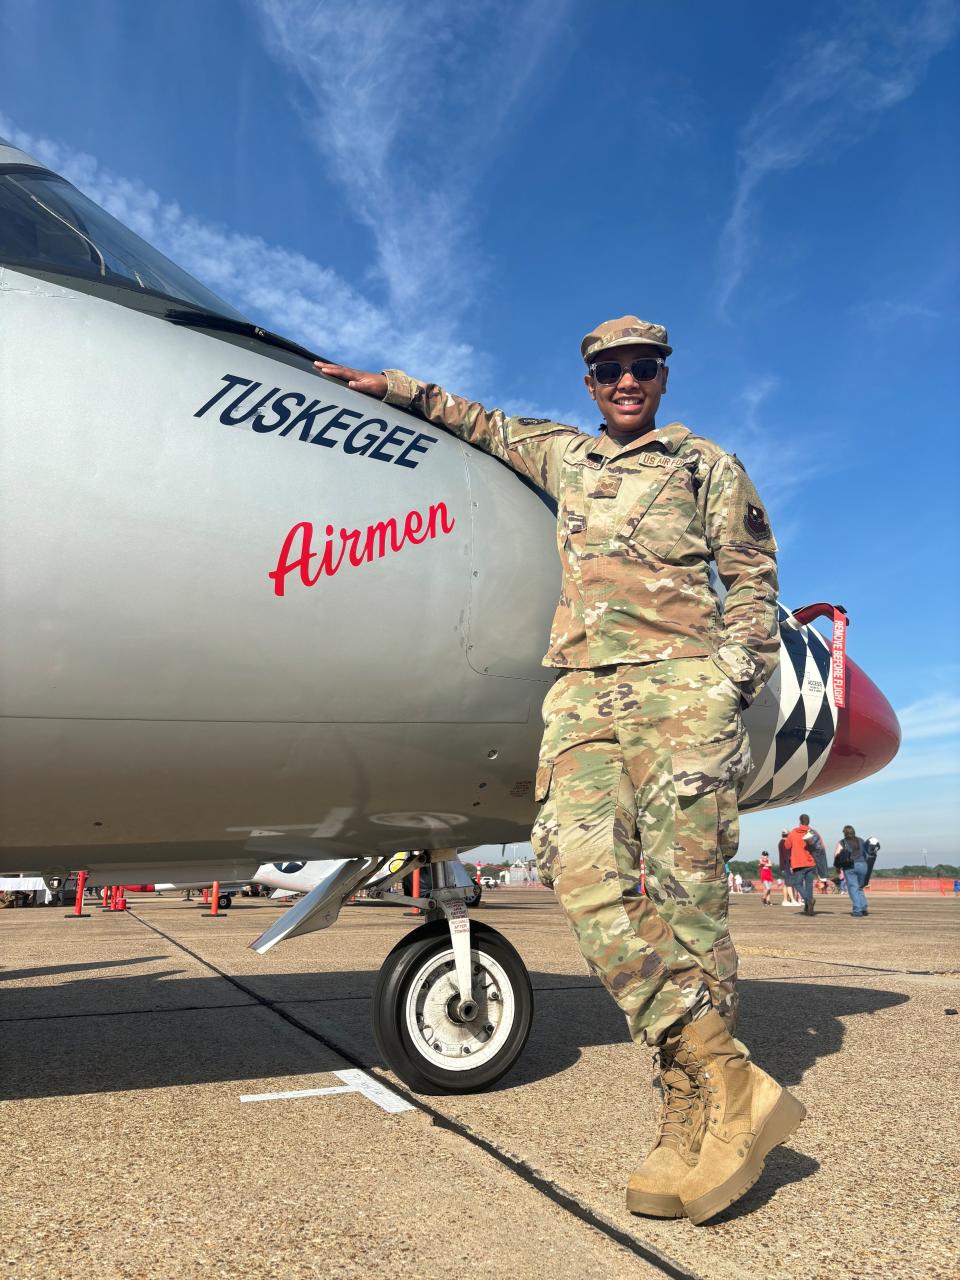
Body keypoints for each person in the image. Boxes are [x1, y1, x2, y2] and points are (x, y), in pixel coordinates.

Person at [315, 315, 804, 1225]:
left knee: (686, 895)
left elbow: (755, 575)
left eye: (641, 368)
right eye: (609, 370)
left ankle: (691, 1105)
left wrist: (730, 677)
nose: (626, 381)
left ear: (663, 374)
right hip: (582, 692)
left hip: (679, 690)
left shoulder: (705, 466)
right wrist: (395, 388)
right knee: (578, 873)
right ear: (590, 383)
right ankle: (727, 1077)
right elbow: (482, 422)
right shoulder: (565, 454)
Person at [784, 814, 818, 915]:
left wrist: (789, 837)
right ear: (809, 822)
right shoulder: (812, 832)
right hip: (810, 862)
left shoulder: (793, 832)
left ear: (799, 821)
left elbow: (787, 846)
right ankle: (809, 908)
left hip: (798, 863)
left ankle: (808, 900)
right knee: (809, 885)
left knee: (797, 883)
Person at [835, 825, 870, 917]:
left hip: (850, 866)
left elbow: (837, 855)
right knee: (860, 887)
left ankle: (857, 910)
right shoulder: (861, 840)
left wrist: (837, 868)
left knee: (853, 888)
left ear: (845, 833)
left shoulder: (842, 842)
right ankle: (864, 908)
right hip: (863, 865)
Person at [778, 829, 799, 905]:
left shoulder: (781, 842)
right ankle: (792, 900)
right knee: (789, 883)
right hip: (787, 865)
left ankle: (786, 900)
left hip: (783, 865)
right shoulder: (785, 843)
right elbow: (788, 856)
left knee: (786, 884)